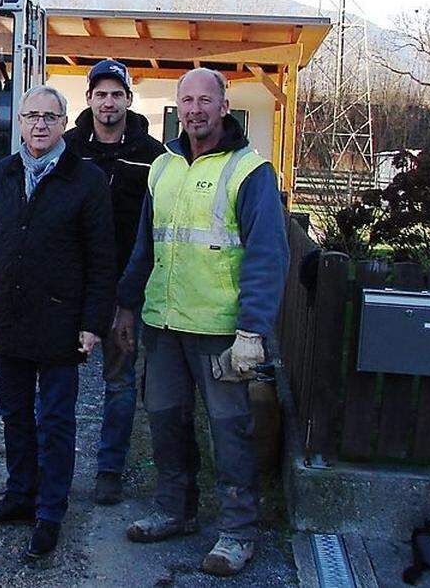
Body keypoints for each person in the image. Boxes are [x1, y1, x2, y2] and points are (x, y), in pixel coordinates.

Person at [112, 68, 289, 577]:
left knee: (230, 430)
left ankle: (237, 531)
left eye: (204, 100)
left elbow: (267, 255)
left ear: (223, 105)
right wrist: (127, 305)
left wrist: (252, 330)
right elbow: (146, 246)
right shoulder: (163, 167)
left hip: (220, 332)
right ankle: (175, 510)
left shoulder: (249, 171)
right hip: (164, 326)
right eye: (186, 100)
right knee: (166, 420)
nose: (194, 109)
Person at [0, 85, 117, 560]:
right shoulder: (2, 174)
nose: (39, 125)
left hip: (60, 323)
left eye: (50, 117)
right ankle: (19, 495)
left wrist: (93, 322)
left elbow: (101, 258)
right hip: (9, 322)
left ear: (63, 123)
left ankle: (50, 511)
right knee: (13, 414)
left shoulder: (86, 180)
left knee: (54, 420)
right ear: (20, 121)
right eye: (31, 116)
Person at [63, 59, 165, 506]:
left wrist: (133, 292)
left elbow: (159, 228)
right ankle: (55, 472)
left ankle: (110, 470)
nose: (108, 101)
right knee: (59, 380)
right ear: (89, 99)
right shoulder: (66, 151)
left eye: (116, 94)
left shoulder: (153, 156)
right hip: (72, 290)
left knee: (120, 384)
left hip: (127, 292)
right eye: (100, 93)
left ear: (128, 99)